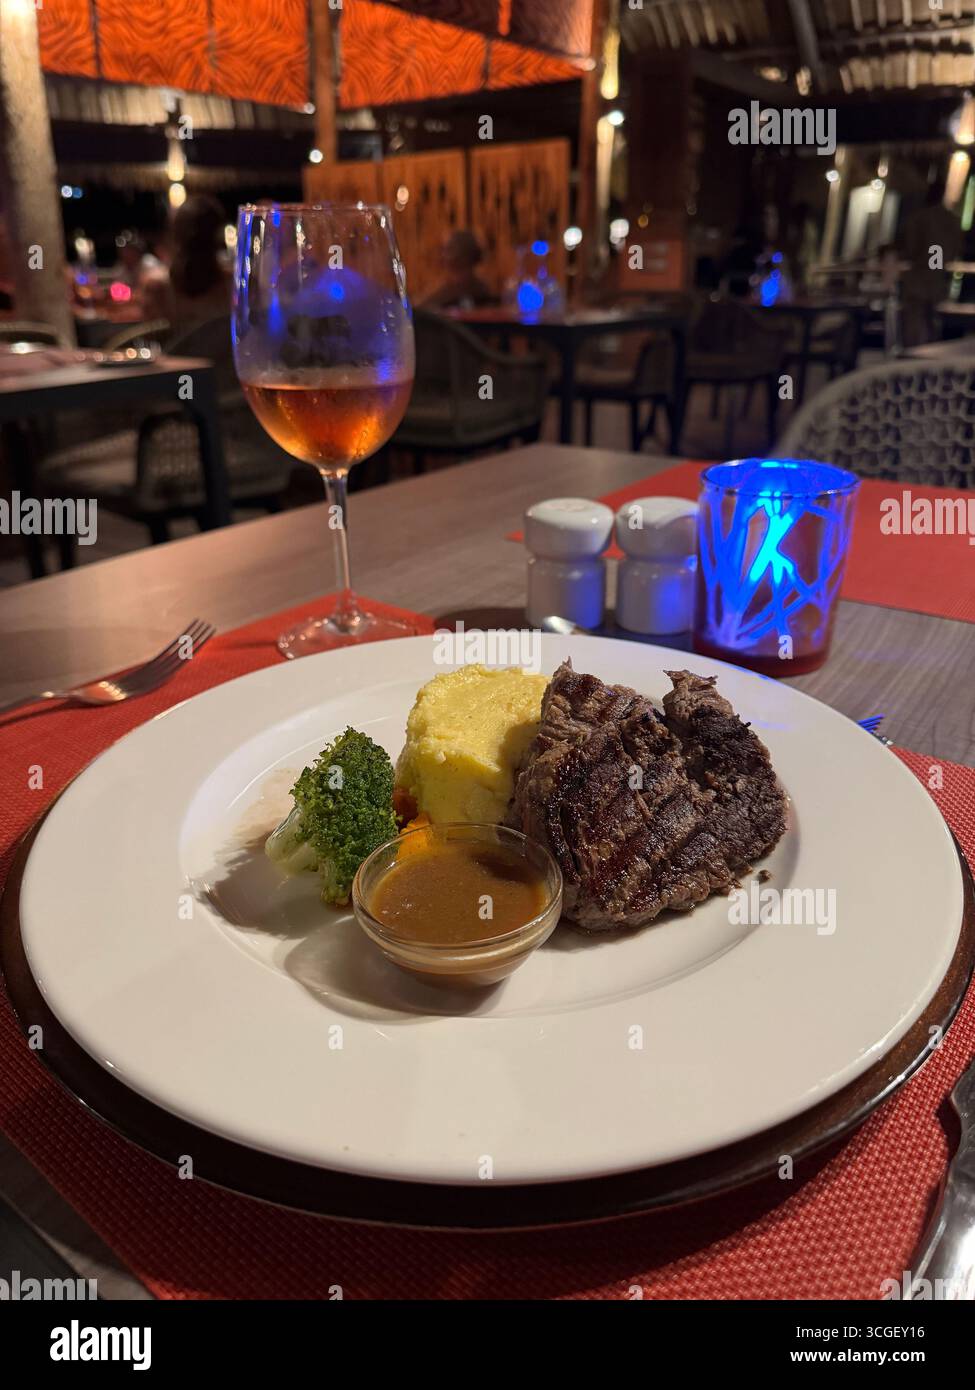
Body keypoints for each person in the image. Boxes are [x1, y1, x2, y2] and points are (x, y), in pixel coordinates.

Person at [143, 196, 231, 333]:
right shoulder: (235, 285)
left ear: (176, 235)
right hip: (220, 355)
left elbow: (150, 340)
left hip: (171, 355)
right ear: (217, 236)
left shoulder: (157, 287)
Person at [898, 181, 962, 348]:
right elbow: (954, 249)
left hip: (919, 279)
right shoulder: (951, 220)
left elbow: (911, 248)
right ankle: (931, 351)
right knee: (933, 320)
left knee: (915, 323)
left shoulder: (919, 218)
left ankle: (915, 354)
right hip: (938, 278)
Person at [421, 229, 495, 310]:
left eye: (449, 250)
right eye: (443, 250)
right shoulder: (443, 288)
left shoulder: (480, 291)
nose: (443, 256)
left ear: (465, 257)